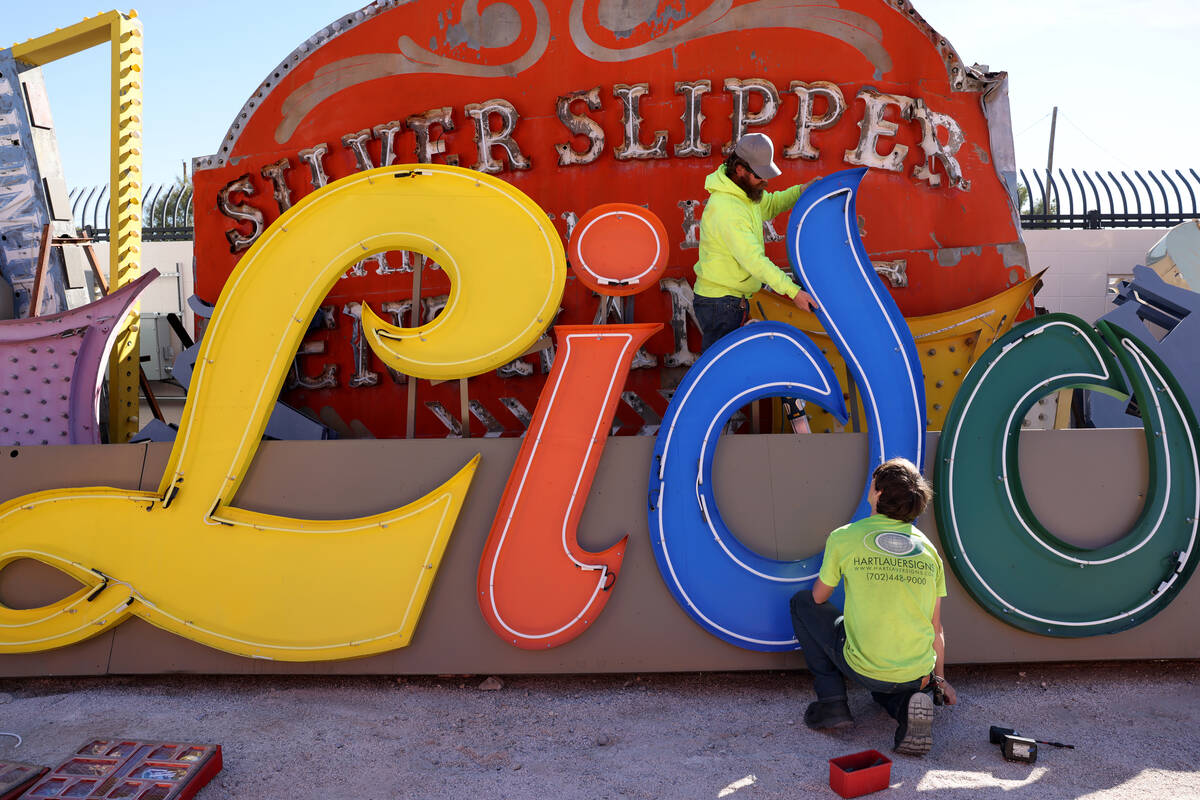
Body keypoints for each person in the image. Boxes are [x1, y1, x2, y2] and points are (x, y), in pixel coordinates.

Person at [789, 458, 958, 756]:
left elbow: (818, 598)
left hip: (864, 666)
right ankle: (909, 710)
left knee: (802, 603)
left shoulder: (845, 537)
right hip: (915, 672)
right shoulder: (929, 551)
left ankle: (832, 703)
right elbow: (936, 628)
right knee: (888, 690)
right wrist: (940, 680)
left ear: (878, 494)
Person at [693, 132, 818, 432]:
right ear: (740, 170)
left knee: (719, 377)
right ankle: (701, 441)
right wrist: (793, 292)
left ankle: (708, 434)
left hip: (728, 303)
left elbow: (771, 204)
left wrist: (802, 191)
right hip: (720, 305)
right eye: (760, 176)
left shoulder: (743, 195)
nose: (765, 181)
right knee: (716, 383)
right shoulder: (727, 210)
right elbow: (754, 262)